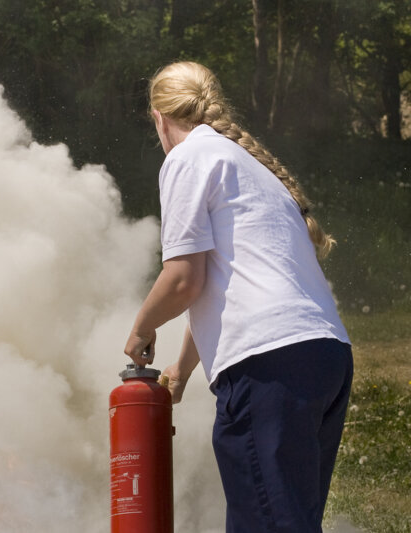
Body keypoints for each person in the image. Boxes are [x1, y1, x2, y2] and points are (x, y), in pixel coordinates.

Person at [123, 61, 353, 533]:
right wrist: (182, 368)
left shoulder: (187, 159)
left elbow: (184, 279)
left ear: (158, 118)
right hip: (325, 356)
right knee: (290, 519)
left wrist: (142, 329)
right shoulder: (249, 163)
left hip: (270, 366)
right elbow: (218, 284)